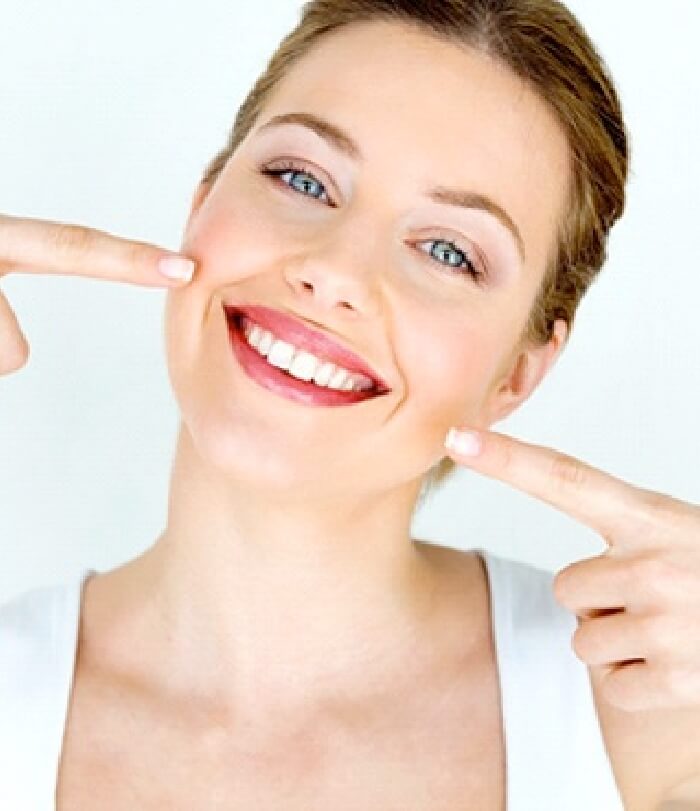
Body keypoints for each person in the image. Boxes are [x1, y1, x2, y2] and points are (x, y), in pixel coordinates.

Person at [1, 1, 699, 809]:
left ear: (518, 372)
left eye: (448, 251)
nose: (333, 270)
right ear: (201, 209)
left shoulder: (649, 723)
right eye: (302, 178)